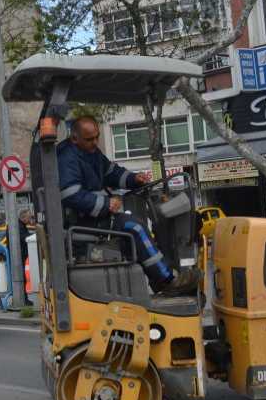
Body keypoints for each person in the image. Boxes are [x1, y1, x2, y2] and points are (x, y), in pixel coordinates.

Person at [58, 115, 198, 295]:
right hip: (83, 223)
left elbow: (111, 173)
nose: (95, 142)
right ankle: (166, 281)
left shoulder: (90, 152)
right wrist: (106, 204)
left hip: (95, 218)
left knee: (138, 226)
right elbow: (70, 194)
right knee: (135, 227)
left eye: (97, 137)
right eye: (89, 139)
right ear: (74, 138)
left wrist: (133, 179)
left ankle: (158, 278)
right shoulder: (67, 157)